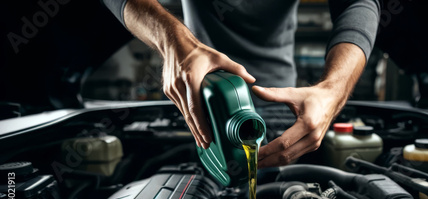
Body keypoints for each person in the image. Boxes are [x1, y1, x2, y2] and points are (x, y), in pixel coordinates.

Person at [103, 0, 380, 168]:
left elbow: (358, 3)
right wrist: (171, 39)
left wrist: (333, 91)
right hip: (196, 110)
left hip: (282, 113)